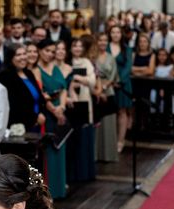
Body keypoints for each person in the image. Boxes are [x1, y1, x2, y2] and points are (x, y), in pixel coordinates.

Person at [37, 39, 69, 199]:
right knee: (49, 150)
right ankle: (48, 191)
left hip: (59, 112)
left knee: (60, 149)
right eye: (47, 51)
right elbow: (41, 93)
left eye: (52, 51)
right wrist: (54, 110)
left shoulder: (55, 68)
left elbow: (64, 89)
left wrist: (62, 107)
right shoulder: (36, 69)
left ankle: (59, 188)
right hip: (48, 114)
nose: (49, 54)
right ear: (40, 50)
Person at [0, 44, 46, 133]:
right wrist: (34, 118)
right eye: (18, 55)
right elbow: (13, 105)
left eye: (24, 54)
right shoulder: (5, 77)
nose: (23, 57)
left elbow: (39, 97)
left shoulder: (29, 73)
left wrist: (40, 114)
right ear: (10, 58)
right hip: (19, 127)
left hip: (37, 124)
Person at [67, 36, 97, 182]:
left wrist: (78, 78)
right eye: (74, 46)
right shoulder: (67, 62)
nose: (77, 48)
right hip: (71, 101)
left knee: (85, 134)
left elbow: (92, 82)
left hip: (85, 101)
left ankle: (85, 173)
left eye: (80, 46)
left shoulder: (86, 62)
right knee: (73, 136)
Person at [94, 32, 119, 162]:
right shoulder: (92, 57)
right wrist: (98, 90)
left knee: (108, 125)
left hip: (108, 93)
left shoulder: (111, 58)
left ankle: (109, 155)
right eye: (100, 40)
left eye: (105, 40)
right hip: (95, 94)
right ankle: (95, 155)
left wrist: (103, 88)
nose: (102, 43)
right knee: (97, 126)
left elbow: (113, 77)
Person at [109, 25, 133, 153]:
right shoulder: (105, 47)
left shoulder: (126, 49)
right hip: (107, 84)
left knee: (122, 112)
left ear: (121, 34)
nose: (115, 34)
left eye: (118, 32)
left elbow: (128, 67)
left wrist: (118, 81)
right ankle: (110, 140)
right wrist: (109, 82)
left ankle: (120, 140)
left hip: (122, 84)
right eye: (113, 32)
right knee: (109, 113)